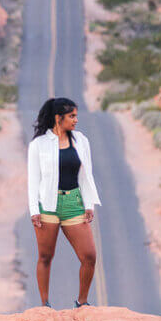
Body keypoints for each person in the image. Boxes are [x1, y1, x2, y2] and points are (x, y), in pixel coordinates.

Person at [27, 97, 102, 309]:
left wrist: (89, 204)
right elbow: (33, 181)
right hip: (47, 207)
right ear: (58, 118)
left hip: (73, 203)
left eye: (76, 115)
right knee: (45, 256)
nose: (76, 120)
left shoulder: (81, 140)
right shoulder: (39, 145)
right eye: (72, 116)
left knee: (89, 256)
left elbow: (86, 175)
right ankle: (44, 305)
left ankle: (82, 302)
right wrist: (34, 210)